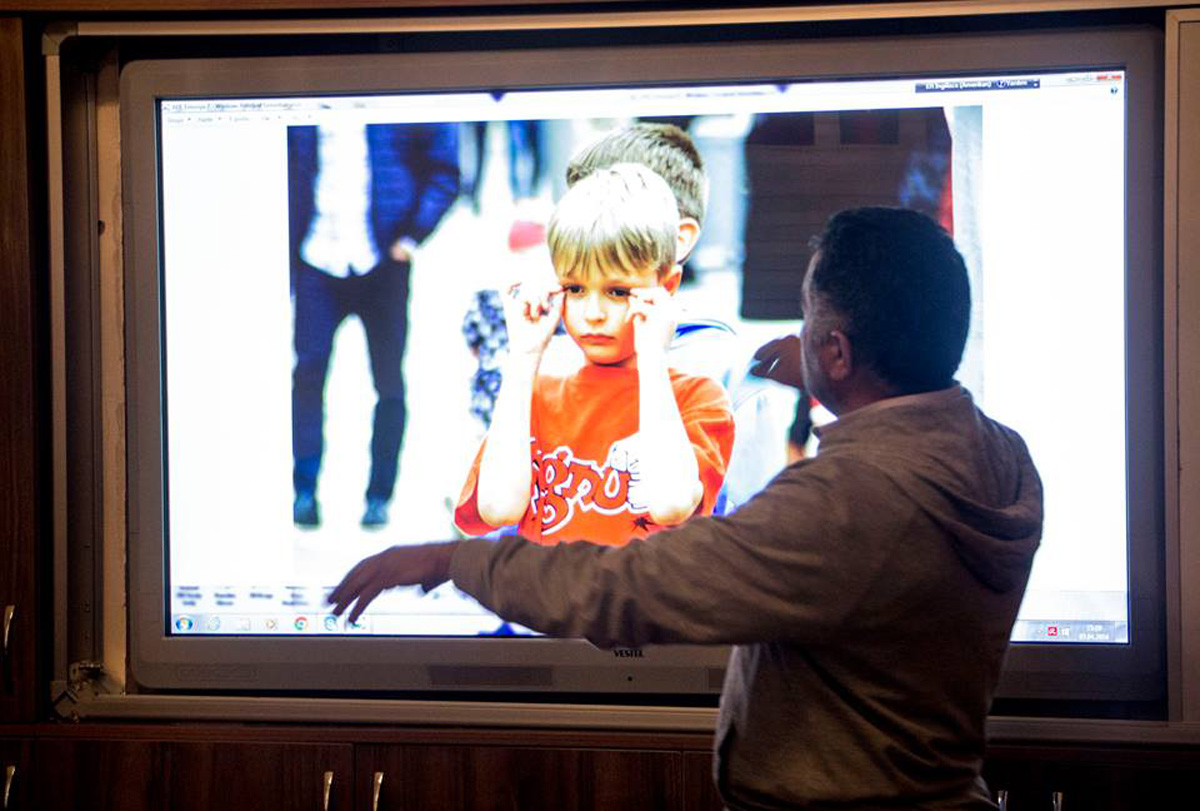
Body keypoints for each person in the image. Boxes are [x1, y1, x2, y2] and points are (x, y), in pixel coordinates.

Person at [329, 207, 1043, 810]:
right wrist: (830, 377)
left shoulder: (843, 504)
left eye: (806, 319)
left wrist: (453, 557)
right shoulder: (1002, 458)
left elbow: (627, 588)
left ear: (838, 350)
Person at [454, 162, 735, 545]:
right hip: (549, 605)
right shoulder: (537, 395)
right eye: (575, 289)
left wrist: (651, 353)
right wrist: (523, 355)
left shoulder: (698, 398)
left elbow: (669, 503)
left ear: (666, 285)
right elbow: (498, 508)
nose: (593, 313)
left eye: (617, 292)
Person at [288, 121, 458, 528]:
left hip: (383, 259)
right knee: (308, 375)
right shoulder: (305, 96)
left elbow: (445, 170)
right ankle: (304, 490)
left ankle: (379, 496)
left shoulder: (396, 100)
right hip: (316, 257)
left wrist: (413, 236)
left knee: (389, 381)